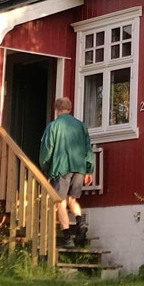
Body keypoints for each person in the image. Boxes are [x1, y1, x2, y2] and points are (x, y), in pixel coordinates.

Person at [39, 96, 94, 248]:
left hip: (61, 168)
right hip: (79, 168)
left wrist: (45, 166)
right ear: (70, 109)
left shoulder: (53, 126)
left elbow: (47, 150)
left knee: (60, 202)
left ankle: (67, 237)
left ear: (57, 110)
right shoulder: (81, 126)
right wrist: (89, 170)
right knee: (73, 200)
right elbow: (88, 148)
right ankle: (80, 221)